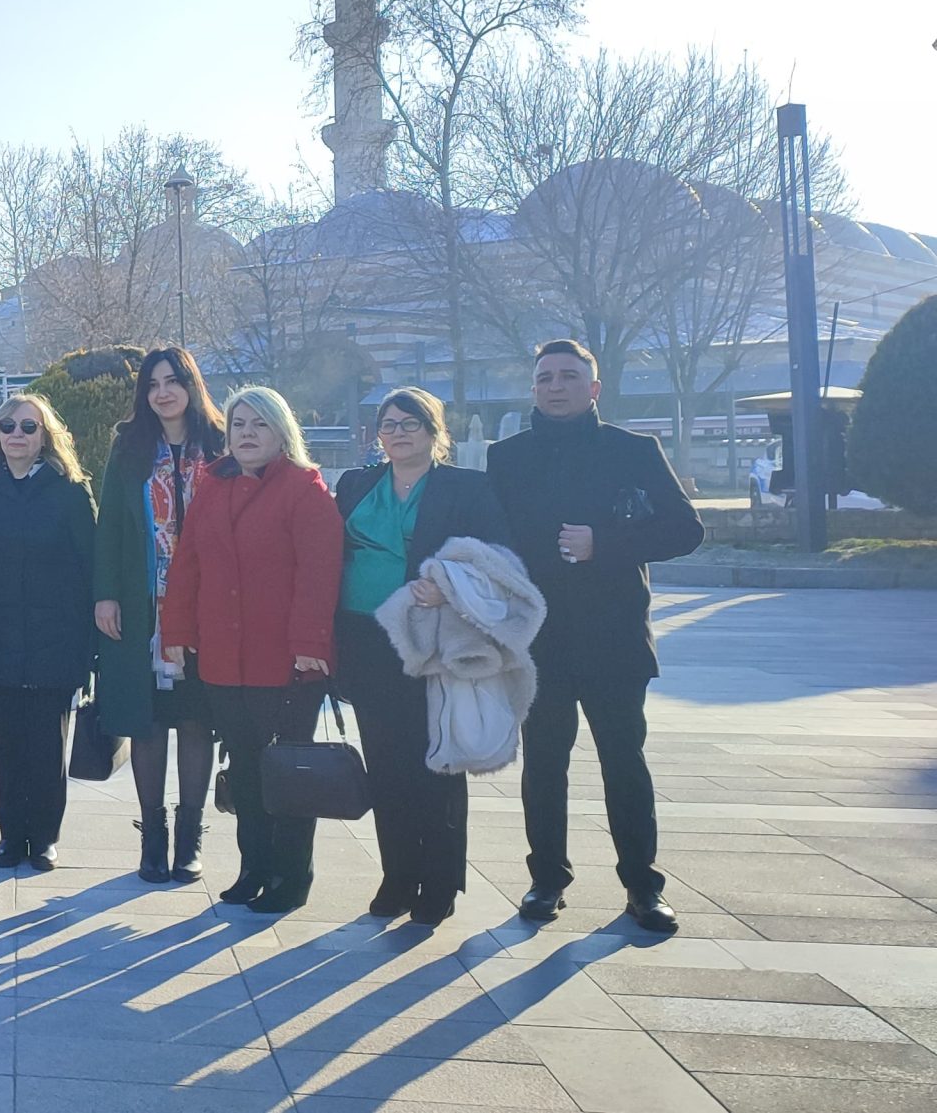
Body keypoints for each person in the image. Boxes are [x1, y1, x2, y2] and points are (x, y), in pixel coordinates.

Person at [488, 340, 704, 934]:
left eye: (568, 376)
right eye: (545, 378)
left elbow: (686, 529)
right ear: (534, 389)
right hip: (538, 642)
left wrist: (604, 544)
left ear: (594, 388)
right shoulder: (506, 458)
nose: (555, 386)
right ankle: (546, 880)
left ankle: (642, 886)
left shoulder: (633, 450)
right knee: (543, 764)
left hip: (614, 638)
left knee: (623, 762)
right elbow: (490, 541)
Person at [333, 387, 511, 925]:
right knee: (385, 762)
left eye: (410, 423)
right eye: (389, 424)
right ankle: (396, 875)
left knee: (436, 760)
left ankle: (439, 880)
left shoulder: (466, 487)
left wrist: (450, 586)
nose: (398, 433)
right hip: (365, 639)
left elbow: (497, 557)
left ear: (435, 431)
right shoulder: (356, 484)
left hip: (432, 641)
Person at [162, 386, 342, 914]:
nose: (247, 433)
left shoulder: (305, 490)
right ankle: (253, 868)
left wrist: (310, 644)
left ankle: (291, 876)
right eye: (239, 424)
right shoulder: (212, 485)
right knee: (244, 769)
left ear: (281, 432)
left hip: (284, 660)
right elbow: (188, 565)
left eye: (259, 424)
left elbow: (319, 574)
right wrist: (178, 631)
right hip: (223, 656)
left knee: (286, 772)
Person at [92, 347, 226, 884]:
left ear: (192, 385)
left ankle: (190, 836)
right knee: (146, 721)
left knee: (196, 720)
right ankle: (153, 837)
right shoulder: (130, 445)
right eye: (152, 384)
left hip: (207, 607)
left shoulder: (218, 443)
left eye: (173, 381)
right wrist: (106, 594)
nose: (163, 392)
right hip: (143, 605)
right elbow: (109, 526)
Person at [0, 392, 98, 873]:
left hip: (54, 635)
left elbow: (91, 567)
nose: (17, 435)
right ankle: (9, 834)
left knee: (46, 744)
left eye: (28, 427)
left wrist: (92, 644)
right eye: (8, 427)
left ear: (46, 436)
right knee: (6, 745)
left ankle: (43, 837)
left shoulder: (70, 491)